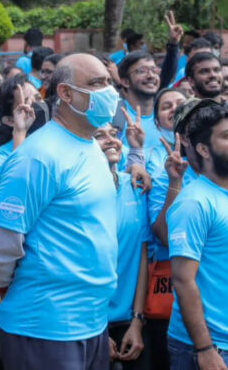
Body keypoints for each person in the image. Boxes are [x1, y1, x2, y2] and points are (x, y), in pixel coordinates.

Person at [0, 53, 120, 370]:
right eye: (97, 84)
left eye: (109, 82)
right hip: (45, 328)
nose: (110, 92)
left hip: (91, 322)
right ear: (66, 94)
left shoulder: (90, 146)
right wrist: (10, 292)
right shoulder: (38, 157)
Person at [164, 102, 228, 370]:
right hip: (207, 348)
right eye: (227, 135)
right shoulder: (194, 203)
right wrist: (205, 348)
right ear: (202, 149)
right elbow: (183, 280)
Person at [94, 124, 150, 369]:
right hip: (87, 324)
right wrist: (96, 333)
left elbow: (141, 257)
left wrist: (137, 322)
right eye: (99, 136)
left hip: (129, 323)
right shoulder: (76, 193)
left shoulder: (135, 185)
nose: (110, 140)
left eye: (114, 135)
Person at [143, 88, 189, 367]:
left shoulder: (216, 160)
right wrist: (174, 181)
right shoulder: (152, 163)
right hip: (168, 278)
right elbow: (162, 234)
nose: (174, 109)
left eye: (180, 104)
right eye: (166, 106)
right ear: (158, 122)